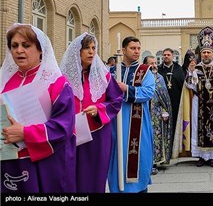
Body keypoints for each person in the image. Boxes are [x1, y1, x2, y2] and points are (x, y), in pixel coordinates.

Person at [0, 23, 76, 193]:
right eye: (14, 46)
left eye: (26, 45)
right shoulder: (4, 82)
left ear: (41, 49)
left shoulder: (57, 83)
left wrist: (25, 133)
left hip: (45, 165)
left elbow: (64, 127)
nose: (19, 50)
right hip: (8, 162)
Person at [60, 33, 123, 192]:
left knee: (94, 179)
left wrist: (99, 109)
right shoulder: (63, 78)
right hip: (69, 135)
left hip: (98, 136)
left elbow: (116, 101)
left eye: (93, 48)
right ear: (77, 51)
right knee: (70, 177)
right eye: (86, 48)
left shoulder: (104, 76)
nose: (91, 52)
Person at [172, 26, 213, 167]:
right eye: (204, 53)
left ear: (212, 53)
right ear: (200, 55)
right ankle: (201, 157)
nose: (206, 55)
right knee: (198, 128)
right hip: (199, 103)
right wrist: (190, 73)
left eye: (208, 52)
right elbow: (190, 86)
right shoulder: (196, 69)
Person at [107, 36, 155, 193]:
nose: (136, 51)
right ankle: (117, 188)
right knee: (117, 155)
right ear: (123, 50)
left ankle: (139, 188)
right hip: (116, 122)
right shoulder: (112, 71)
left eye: (138, 48)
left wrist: (126, 89)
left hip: (138, 122)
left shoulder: (145, 70)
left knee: (140, 155)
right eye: (133, 48)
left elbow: (149, 92)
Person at [143, 55, 173, 175]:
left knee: (156, 139)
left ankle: (155, 163)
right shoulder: (141, 78)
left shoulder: (159, 78)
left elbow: (164, 96)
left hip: (156, 114)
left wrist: (165, 110)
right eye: (151, 63)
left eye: (155, 63)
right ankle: (145, 164)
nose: (154, 66)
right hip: (144, 113)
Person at [158, 48, 185, 143]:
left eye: (168, 55)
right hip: (163, 101)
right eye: (164, 55)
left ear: (172, 56)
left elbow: (182, 84)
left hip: (176, 100)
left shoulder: (178, 68)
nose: (166, 56)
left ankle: (175, 144)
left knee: (175, 121)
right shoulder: (158, 69)